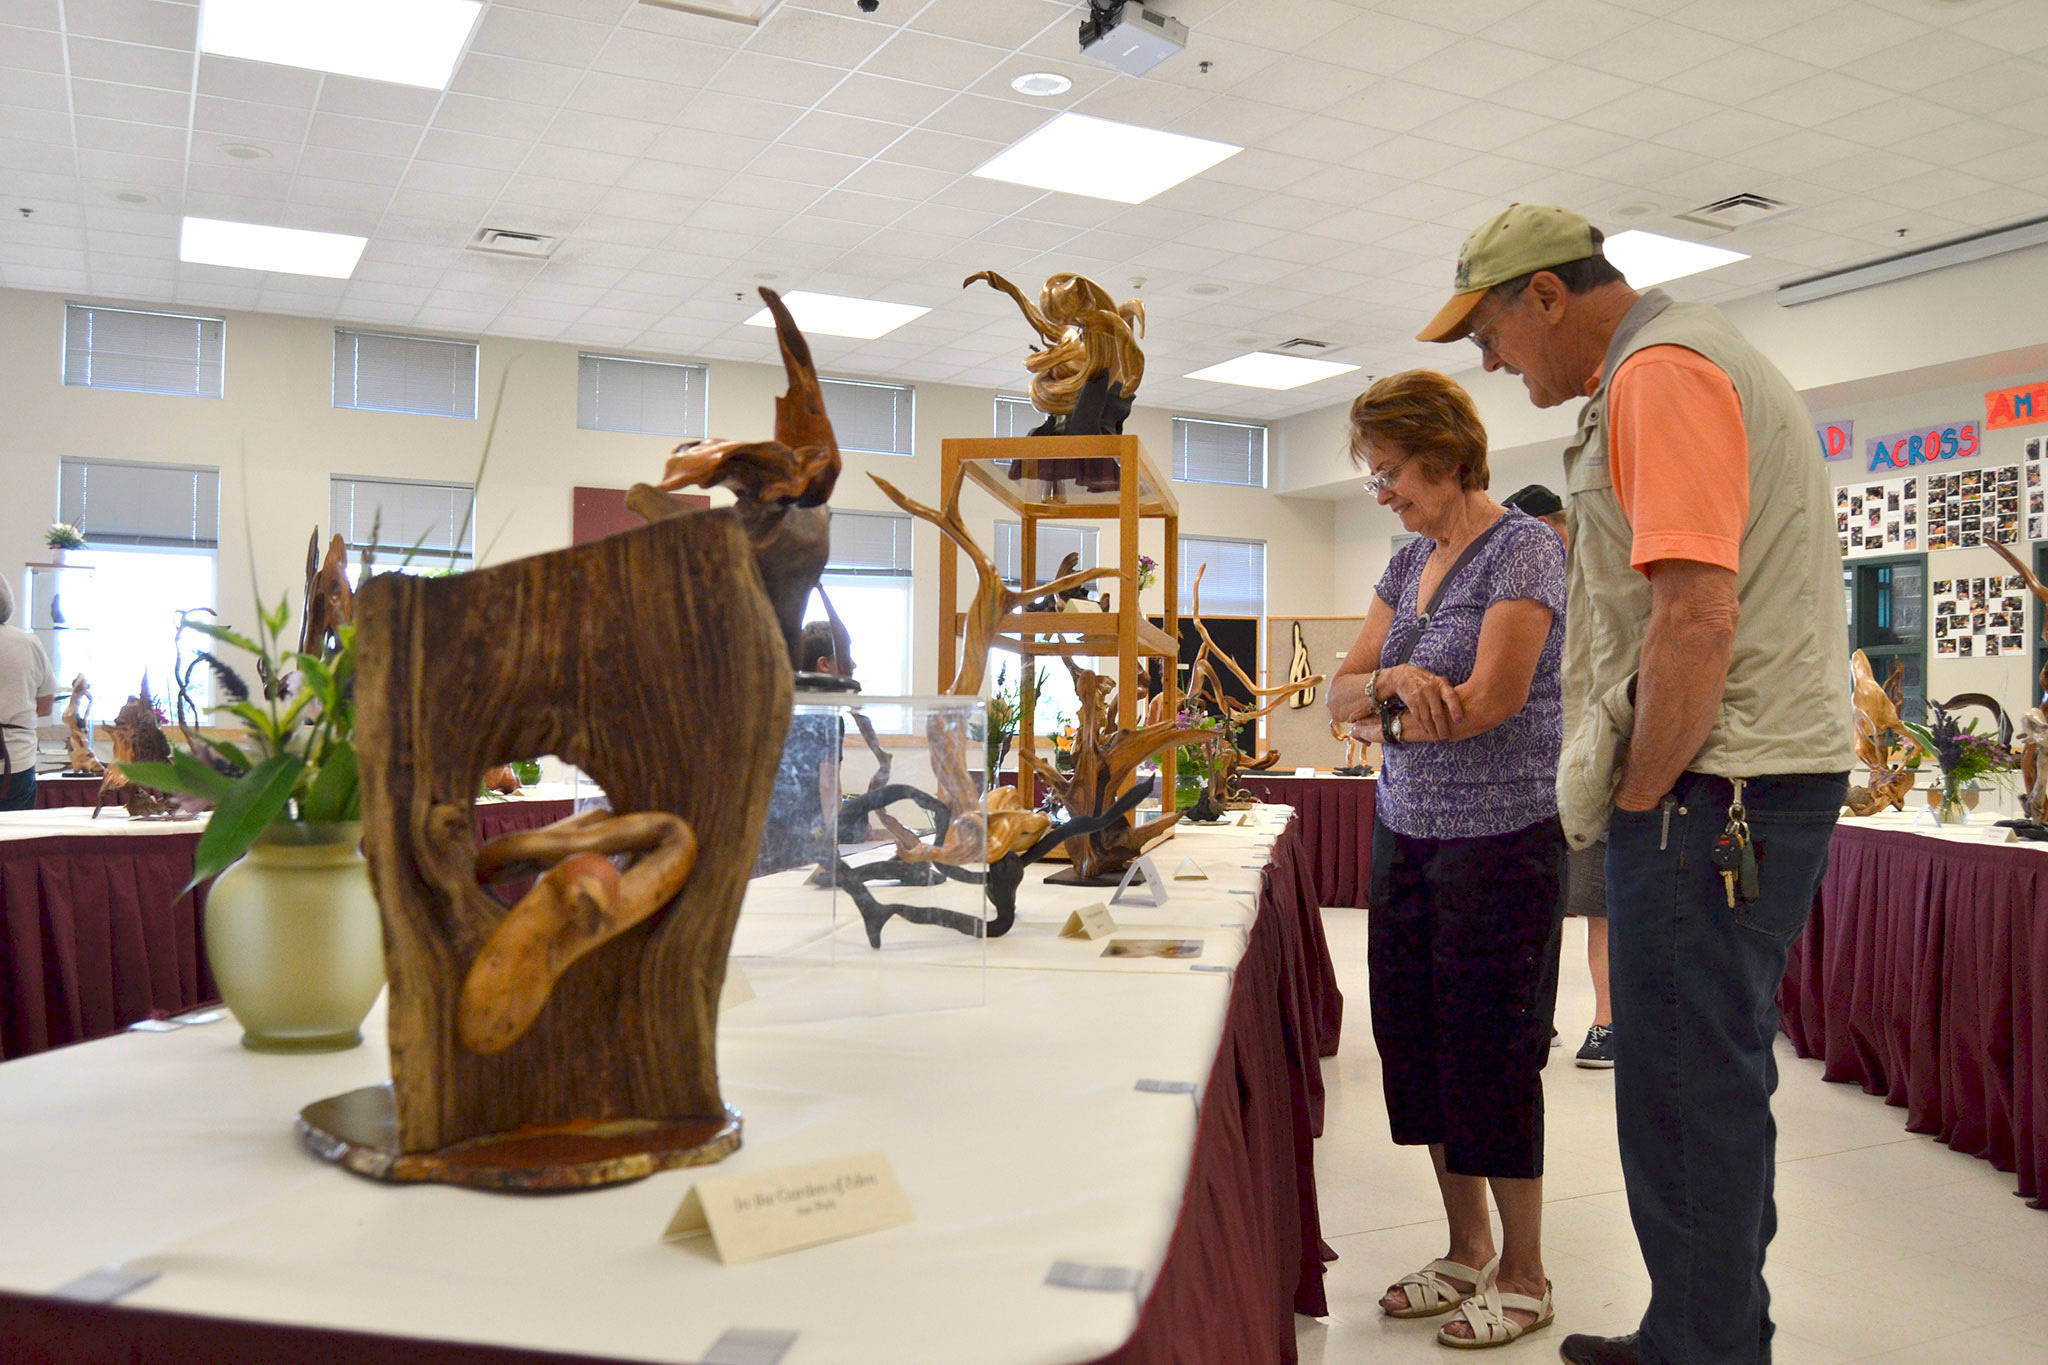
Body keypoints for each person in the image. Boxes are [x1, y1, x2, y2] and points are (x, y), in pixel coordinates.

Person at [1418, 205, 1852, 1365]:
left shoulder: (1660, 373)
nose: (1490, 362)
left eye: (1493, 333)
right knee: (1696, 1079)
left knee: (1680, 1089)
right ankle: (1696, 1332)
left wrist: (1643, 794)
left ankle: (1703, 1351)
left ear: (1547, 297)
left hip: (1713, 786)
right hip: (1733, 777)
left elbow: (1695, 613)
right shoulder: (1681, 360)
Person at [1328, 370, 1567, 1350]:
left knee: (1494, 1055)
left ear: (1443, 457)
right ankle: (1464, 1247)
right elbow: (1338, 695)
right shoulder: (1403, 559)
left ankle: (1525, 1270)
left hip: (1502, 844)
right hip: (1408, 836)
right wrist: (1393, 683)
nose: (1381, 493)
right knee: (1418, 1046)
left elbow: (1491, 701)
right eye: (1374, 478)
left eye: (1389, 474)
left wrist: (1405, 708)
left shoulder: (1524, 550)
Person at [1503, 484, 1613, 1070]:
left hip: (1590, 765)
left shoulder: (1600, 581)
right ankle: (1535, 1015)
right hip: (1530, 773)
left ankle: (1607, 1022)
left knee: (1597, 902)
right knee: (1535, 901)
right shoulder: (1522, 589)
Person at [0, 574, 58, 812]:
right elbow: (45, 706)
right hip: (17, 760)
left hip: (16, 759)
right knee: (15, 842)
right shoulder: (28, 643)